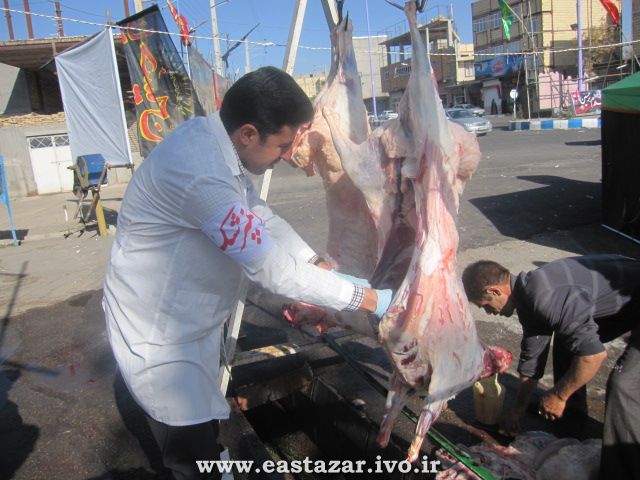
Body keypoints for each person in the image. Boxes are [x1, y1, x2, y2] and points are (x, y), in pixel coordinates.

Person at [103, 66, 391, 479]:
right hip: (160, 338)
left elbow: (260, 215)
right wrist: (367, 299)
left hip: (189, 320)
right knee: (191, 453)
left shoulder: (218, 144)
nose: (287, 155)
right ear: (249, 134)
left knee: (205, 428)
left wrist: (315, 262)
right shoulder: (200, 172)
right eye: (283, 145)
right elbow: (271, 270)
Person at [462, 255, 640, 479]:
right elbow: (532, 359)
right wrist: (518, 409)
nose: (489, 313)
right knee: (568, 342)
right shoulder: (528, 298)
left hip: (631, 295)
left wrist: (559, 395)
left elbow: (593, 357)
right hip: (626, 300)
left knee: (625, 385)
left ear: (495, 291)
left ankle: (624, 472)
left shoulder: (544, 297)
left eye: (485, 306)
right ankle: (572, 422)